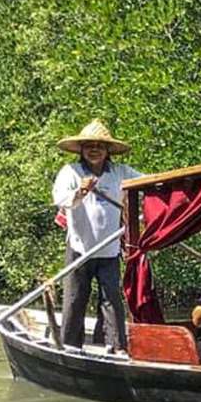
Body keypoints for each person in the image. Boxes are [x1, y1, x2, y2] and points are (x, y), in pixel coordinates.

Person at [52, 119, 143, 354]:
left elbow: (149, 182)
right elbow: (62, 200)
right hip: (79, 248)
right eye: (89, 145)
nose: (94, 150)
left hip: (109, 249)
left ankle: (116, 346)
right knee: (74, 298)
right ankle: (70, 347)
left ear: (107, 151)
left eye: (100, 146)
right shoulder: (71, 172)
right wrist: (80, 191)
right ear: (81, 150)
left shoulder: (120, 173)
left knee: (112, 298)